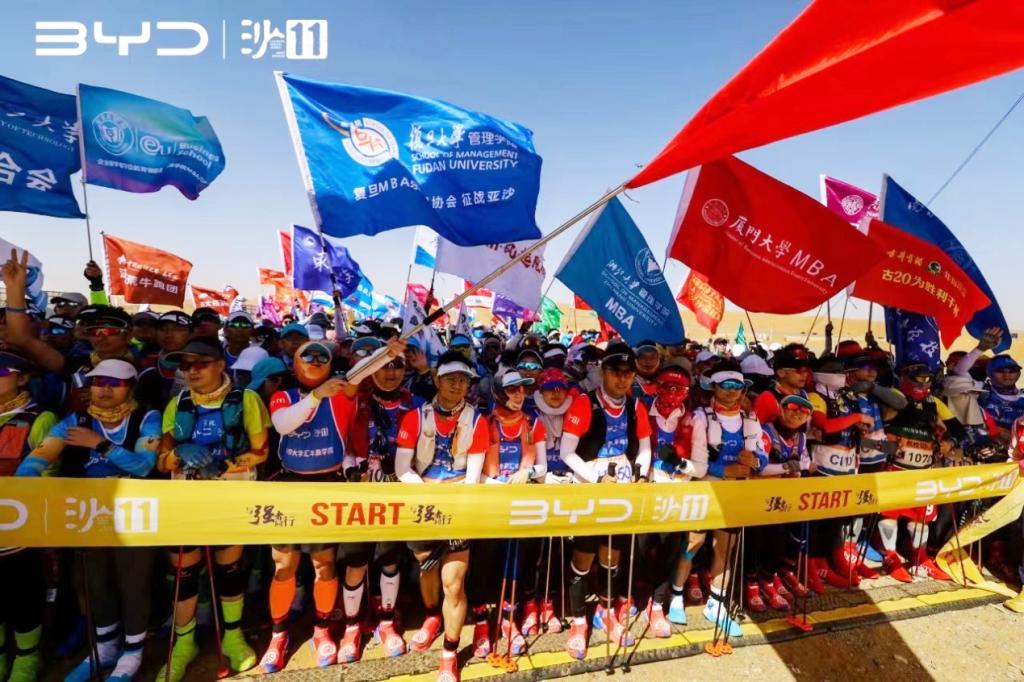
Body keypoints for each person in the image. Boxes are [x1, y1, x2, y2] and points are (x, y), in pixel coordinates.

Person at [19, 360, 159, 682]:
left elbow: (143, 466)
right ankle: (105, 647)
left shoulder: (146, 417)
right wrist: (24, 482)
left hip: (135, 515)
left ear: (130, 387)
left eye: (115, 383)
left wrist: (98, 443)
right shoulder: (77, 420)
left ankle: (133, 651)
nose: (104, 389)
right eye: (98, 382)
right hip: (89, 513)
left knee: (133, 581)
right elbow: (39, 457)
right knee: (95, 581)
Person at [156, 337, 270, 681]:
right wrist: (180, 453)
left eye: (200, 364)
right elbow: (162, 460)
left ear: (221, 365)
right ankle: (184, 643)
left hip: (231, 496)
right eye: (185, 366)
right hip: (185, 500)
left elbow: (261, 452)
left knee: (229, 567)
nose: (191, 371)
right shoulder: (176, 403)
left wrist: (223, 465)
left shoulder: (246, 399)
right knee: (185, 572)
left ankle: (232, 636)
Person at [394, 351, 489, 682]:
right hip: (424, 502)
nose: (457, 385)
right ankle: (432, 616)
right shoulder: (415, 418)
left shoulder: (477, 420)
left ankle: (449, 652)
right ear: (436, 380)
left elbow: (473, 475)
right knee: (427, 570)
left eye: (463, 380)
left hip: (458, 502)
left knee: (454, 581)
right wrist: (428, 496)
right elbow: (402, 468)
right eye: (450, 379)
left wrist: (456, 503)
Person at [558, 342, 653, 659]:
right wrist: (596, 478)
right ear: (603, 372)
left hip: (622, 490)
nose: (622, 379)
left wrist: (641, 473)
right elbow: (567, 452)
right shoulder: (585, 403)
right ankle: (578, 622)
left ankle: (605, 611)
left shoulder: (635, 406)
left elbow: (644, 447)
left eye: (628, 373)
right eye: (616, 372)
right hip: (590, 488)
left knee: (612, 556)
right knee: (583, 558)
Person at [347, 338, 423, 659]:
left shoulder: (416, 403)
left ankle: (387, 622)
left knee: (389, 560)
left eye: (397, 366)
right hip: (359, 492)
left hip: (396, 491)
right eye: (383, 366)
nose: (390, 373)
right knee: (355, 563)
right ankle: (352, 627)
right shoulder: (356, 399)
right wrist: (351, 470)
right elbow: (345, 441)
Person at [689, 360, 767, 637]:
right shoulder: (700, 417)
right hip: (705, 489)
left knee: (725, 548)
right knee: (693, 544)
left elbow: (762, 454)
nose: (733, 391)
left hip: (735, 492)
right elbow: (694, 460)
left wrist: (755, 461)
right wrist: (724, 469)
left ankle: (716, 602)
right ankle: (677, 592)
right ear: (713, 386)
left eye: (738, 386)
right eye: (726, 385)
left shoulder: (750, 419)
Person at [877, 363, 962, 582]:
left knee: (921, 519)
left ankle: (920, 559)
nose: (922, 385)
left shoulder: (934, 402)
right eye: (917, 380)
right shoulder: (895, 395)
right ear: (905, 378)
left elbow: (958, 429)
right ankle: (891, 558)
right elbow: (881, 429)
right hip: (896, 469)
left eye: (926, 381)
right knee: (890, 515)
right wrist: (889, 446)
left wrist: (949, 443)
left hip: (924, 470)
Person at [0, 351, 56, 682]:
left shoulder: (40, 418)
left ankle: (26, 659)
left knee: (22, 593)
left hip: (21, 525)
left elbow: (50, 475)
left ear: (22, 378)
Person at [749, 394, 814, 612]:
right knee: (756, 543)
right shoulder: (765, 432)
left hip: (784, 501)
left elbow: (806, 465)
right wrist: (787, 467)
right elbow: (759, 468)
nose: (798, 413)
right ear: (781, 409)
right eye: (793, 407)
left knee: (783, 543)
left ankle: (771, 579)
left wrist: (796, 468)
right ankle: (752, 586)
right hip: (759, 499)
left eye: (804, 411)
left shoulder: (801, 438)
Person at [645, 365, 698, 634]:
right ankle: (633, 597)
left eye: (679, 389)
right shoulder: (642, 410)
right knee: (641, 549)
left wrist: (679, 463)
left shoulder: (693, 418)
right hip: (646, 491)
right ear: (657, 386)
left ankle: (657, 604)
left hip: (676, 492)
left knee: (669, 551)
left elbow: (701, 466)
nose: (672, 393)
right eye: (667, 386)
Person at [135, 311, 192, 412]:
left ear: (192, 333)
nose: (168, 334)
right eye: (162, 329)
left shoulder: (204, 368)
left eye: (177, 329)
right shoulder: (144, 366)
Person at [631, 340, 661, 409]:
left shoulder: (665, 383)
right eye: (643, 357)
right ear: (635, 360)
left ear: (659, 360)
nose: (648, 361)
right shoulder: (626, 385)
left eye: (653, 357)